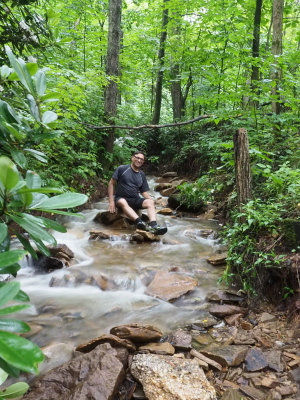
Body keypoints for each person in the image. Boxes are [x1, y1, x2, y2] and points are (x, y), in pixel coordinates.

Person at [108, 151, 167, 235]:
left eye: (142, 159)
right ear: (132, 158)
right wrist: (111, 202)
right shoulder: (122, 169)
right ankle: (139, 222)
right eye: (137, 158)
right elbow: (111, 183)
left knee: (150, 202)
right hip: (120, 198)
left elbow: (143, 192)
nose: (139, 160)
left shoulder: (141, 174)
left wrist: (152, 202)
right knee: (122, 201)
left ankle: (154, 226)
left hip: (135, 199)